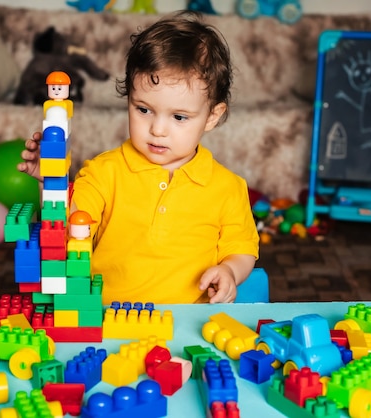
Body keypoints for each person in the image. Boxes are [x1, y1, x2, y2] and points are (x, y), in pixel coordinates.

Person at [18, 11, 259, 304]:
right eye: (143, 109)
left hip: (185, 324)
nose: (157, 130)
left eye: (179, 116)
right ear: (129, 99)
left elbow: (242, 248)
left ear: (212, 116)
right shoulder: (103, 172)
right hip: (105, 319)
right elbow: (68, 229)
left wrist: (230, 271)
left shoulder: (228, 188)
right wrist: (50, 181)